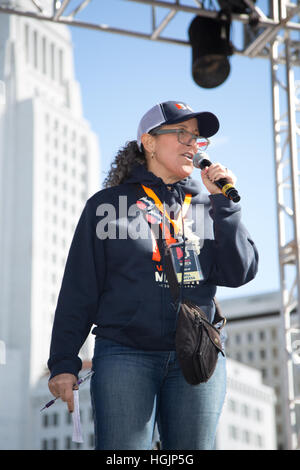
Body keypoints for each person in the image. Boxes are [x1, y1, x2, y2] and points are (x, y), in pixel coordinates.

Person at [47, 100, 258, 450]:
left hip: (197, 356)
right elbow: (78, 290)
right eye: (182, 134)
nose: (193, 143)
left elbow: (242, 271)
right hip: (124, 354)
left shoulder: (210, 206)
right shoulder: (106, 206)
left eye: (197, 138)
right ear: (148, 142)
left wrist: (226, 205)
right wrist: (63, 363)